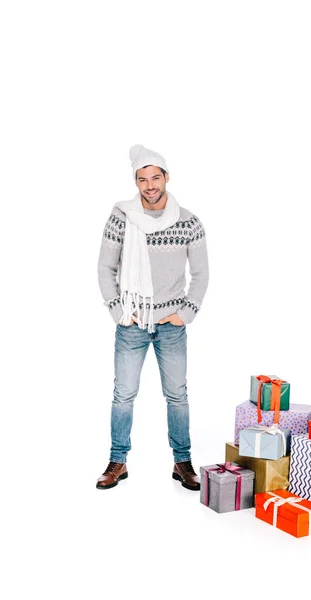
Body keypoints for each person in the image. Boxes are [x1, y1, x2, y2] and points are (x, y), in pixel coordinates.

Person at [96, 144, 209, 491]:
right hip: (132, 322)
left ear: (166, 178)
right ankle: (118, 460)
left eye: (155, 177)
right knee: (123, 395)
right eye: (142, 179)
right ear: (136, 181)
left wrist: (185, 314)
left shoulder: (189, 221)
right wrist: (119, 311)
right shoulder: (122, 216)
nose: (149, 185)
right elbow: (105, 268)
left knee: (177, 395)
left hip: (170, 325)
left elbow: (201, 273)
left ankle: (182, 461)